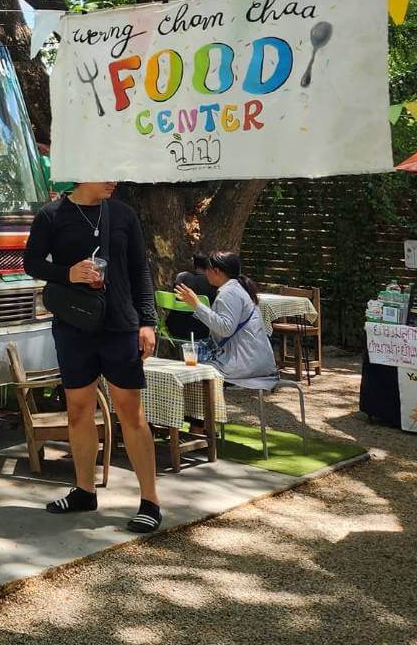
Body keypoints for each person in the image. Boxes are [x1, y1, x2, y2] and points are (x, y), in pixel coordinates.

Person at [24, 181, 163, 534]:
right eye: (107, 173)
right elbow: (31, 263)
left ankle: (150, 501)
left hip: (120, 325)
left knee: (130, 411)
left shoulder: (123, 215)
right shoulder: (51, 215)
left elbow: (140, 270)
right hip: (74, 325)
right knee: (78, 410)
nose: (114, 180)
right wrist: (67, 273)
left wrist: (147, 322)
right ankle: (84, 491)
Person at [175, 251, 277, 383]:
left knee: (188, 374)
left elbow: (225, 328)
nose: (205, 273)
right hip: (254, 361)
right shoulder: (236, 288)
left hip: (244, 363)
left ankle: (206, 398)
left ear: (216, 271)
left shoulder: (229, 293)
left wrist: (196, 305)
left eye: (207, 269)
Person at [164, 253, 217, 345]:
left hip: (175, 327)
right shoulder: (213, 282)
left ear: (193, 264)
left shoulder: (181, 277)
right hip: (201, 331)